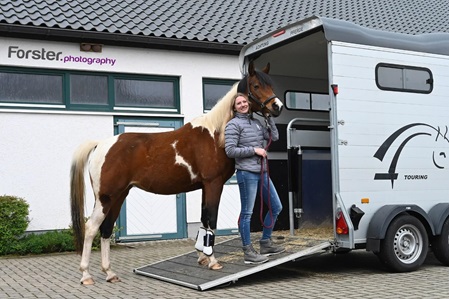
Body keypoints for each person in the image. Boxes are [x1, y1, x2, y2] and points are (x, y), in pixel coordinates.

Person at [224, 93, 285, 264]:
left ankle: (265, 242)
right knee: (247, 213)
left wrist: (269, 117)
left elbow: (275, 136)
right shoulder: (233, 125)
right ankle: (248, 252)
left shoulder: (256, 123)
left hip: (262, 172)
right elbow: (230, 150)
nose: (243, 105)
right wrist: (254, 150)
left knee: (276, 206)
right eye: (239, 103)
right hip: (247, 173)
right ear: (234, 107)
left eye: (245, 102)